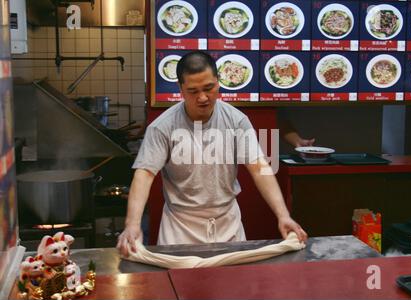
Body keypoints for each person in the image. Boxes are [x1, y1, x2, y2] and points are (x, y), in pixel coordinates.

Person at [117, 51, 307, 256]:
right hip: (180, 228)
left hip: (228, 224)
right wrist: (132, 224)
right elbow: (144, 174)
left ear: (218, 82)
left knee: (230, 286)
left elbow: (259, 167)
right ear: (181, 89)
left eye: (209, 88)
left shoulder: (237, 120)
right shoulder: (162, 127)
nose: (203, 98)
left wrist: (283, 215)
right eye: (193, 91)